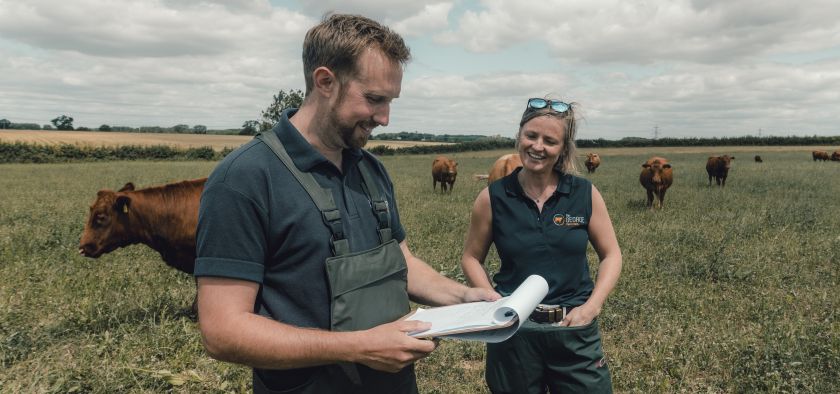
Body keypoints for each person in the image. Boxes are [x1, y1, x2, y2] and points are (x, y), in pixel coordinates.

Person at [194, 14, 499, 394]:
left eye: (390, 101)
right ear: (325, 82)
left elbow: (399, 262)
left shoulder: (370, 168)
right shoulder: (245, 178)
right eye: (374, 99)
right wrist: (359, 347)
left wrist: (465, 297)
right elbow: (223, 331)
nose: (385, 118)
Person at [461, 97, 622, 393]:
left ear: (563, 148)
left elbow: (611, 255)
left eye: (550, 140)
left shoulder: (584, 193)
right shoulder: (492, 197)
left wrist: (592, 306)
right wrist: (492, 300)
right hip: (514, 332)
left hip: (574, 330)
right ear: (519, 136)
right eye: (531, 135)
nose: (538, 146)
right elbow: (471, 257)